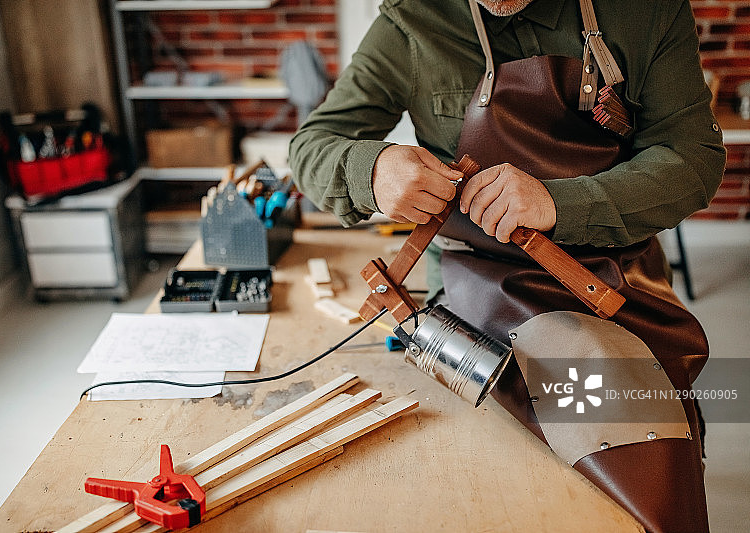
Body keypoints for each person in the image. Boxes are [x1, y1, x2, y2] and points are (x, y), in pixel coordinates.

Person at [289, 1, 725, 532]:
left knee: (648, 476)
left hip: (612, 283)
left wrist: (561, 204)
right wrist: (372, 169)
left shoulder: (645, 11)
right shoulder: (414, 20)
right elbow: (311, 145)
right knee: (479, 497)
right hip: (470, 294)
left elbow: (692, 157)